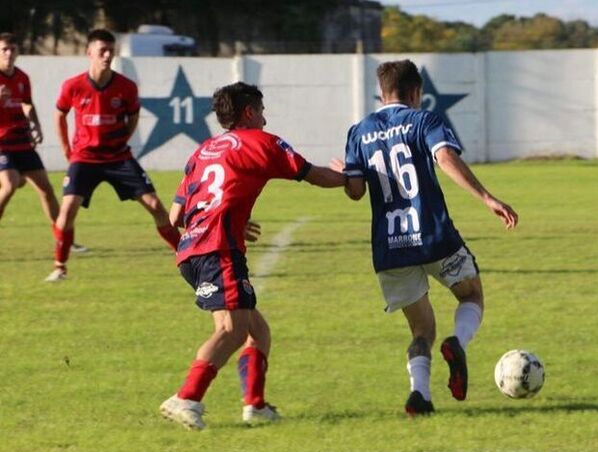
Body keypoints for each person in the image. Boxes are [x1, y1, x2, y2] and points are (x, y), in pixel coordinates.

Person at [159, 82, 345, 430]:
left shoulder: (203, 150)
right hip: (218, 249)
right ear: (248, 112)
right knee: (233, 329)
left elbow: (174, 218)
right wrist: (351, 176)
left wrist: (226, 218)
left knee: (256, 332)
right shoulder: (263, 142)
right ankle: (186, 397)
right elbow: (316, 176)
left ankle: (255, 406)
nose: (264, 118)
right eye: (261, 111)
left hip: (192, 251)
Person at [336, 59, 517, 416]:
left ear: (383, 92)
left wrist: (345, 173)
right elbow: (445, 157)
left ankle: (420, 393)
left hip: (390, 246)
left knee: (421, 329)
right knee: (471, 294)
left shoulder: (359, 131)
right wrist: (486, 197)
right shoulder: (424, 120)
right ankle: (458, 342)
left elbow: (355, 191)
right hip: (433, 235)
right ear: (416, 92)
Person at [47, 28, 179, 282]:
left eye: (111, 51)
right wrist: (66, 148)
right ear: (89, 53)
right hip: (84, 158)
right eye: (102, 51)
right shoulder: (73, 86)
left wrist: (122, 140)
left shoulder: (126, 87)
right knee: (68, 209)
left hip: (118, 157)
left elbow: (134, 116)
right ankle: (59, 267)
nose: (107, 56)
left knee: (155, 205)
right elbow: (59, 114)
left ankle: (186, 256)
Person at [0, 32, 86, 253]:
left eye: (12, 49)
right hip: (2, 144)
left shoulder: (22, 77)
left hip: (22, 141)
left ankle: (63, 238)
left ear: (18, 52)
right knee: (9, 186)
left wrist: (35, 124)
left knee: (46, 189)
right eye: (4, 50)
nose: (9, 54)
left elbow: (27, 104)